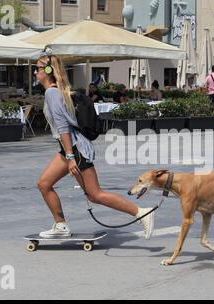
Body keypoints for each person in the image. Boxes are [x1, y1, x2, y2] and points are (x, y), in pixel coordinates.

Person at [34, 53, 154, 239]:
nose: (35, 72)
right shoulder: (57, 91)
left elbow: (63, 127)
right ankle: (61, 226)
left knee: (95, 195)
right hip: (70, 148)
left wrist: (71, 157)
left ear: (48, 71)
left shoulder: (51, 93)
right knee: (44, 184)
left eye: (38, 68)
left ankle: (141, 213)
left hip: (75, 150)